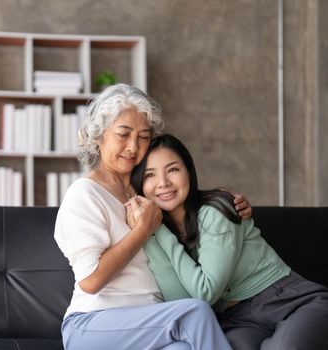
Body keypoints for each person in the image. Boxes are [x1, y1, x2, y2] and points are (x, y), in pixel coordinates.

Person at [54, 84, 250, 350]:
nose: (133, 147)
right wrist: (142, 231)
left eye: (144, 137)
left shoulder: (146, 192)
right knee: (195, 313)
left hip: (151, 324)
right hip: (92, 324)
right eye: (123, 134)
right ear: (98, 136)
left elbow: (187, 202)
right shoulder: (84, 194)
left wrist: (227, 203)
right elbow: (90, 281)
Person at [128, 133, 328, 349]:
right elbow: (183, 303)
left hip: (289, 301)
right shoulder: (161, 233)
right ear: (140, 185)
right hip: (239, 320)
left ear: (189, 171)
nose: (163, 183)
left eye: (173, 169)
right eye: (150, 175)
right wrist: (147, 233)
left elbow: (205, 293)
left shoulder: (216, 211)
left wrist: (158, 229)